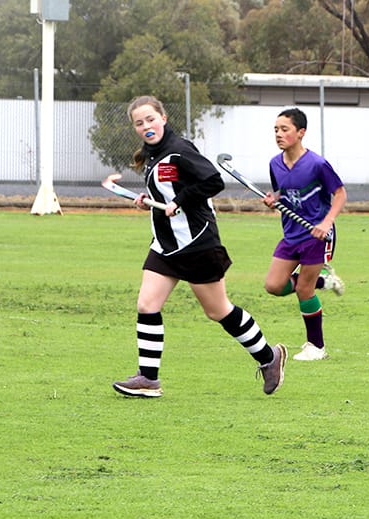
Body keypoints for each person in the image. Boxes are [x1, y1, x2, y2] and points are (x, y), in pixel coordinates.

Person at [112, 95, 286, 398]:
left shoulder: (179, 150)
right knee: (146, 305)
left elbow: (212, 182)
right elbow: (167, 191)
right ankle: (148, 379)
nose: (146, 126)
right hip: (166, 244)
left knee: (218, 310)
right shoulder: (151, 154)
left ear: (163, 118)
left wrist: (179, 201)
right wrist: (147, 202)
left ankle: (269, 358)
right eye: (139, 123)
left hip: (196, 243)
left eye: (150, 119)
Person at [261, 107, 347, 361]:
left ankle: (316, 347)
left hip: (316, 235)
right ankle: (324, 281)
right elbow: (282, 194)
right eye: (276, 130)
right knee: (274, 286)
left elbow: (340, 194)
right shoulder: (274, 164)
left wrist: (327, 222)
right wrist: (272, 199)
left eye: (284, 129)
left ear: (301, 133)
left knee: (304, 291)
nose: (278, 134)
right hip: (291, 234)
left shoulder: (317, 164)